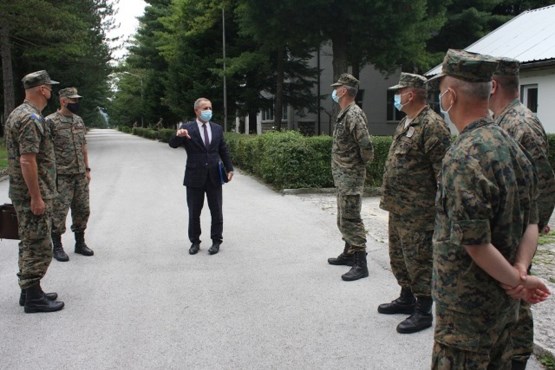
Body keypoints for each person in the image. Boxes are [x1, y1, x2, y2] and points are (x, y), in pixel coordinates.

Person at [428, 49, 550, 369]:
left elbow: (475, 243)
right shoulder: (512, 146)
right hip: (503, 312)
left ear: (450, 95)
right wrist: (521, 271)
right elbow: (532, 222)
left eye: (441, 91)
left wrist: (518, 281)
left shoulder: (463, 155)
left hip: (466, 318)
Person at [489, 57, 555, 370]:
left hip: (518, 232)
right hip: (507, 227)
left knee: (518, 294)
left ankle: (517, 358)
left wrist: (534, 230)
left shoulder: (522, 124)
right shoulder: (501, 121)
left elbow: (543, 182)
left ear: (492, 85)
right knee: (507, 296)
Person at [378, 73, 451, 333]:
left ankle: (423, 310)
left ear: (411, 94)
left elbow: (444, 174)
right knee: (400, 256)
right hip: (399, 208)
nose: (397, 97)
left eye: (400, 92)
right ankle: (406, 297)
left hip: (420, 212)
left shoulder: (433, 125)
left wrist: (442, 213)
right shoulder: (407, 122)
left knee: (419, 260)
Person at [4, 70, 65, 313]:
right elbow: (27, 160)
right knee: (39, 245)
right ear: (42, 89)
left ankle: (29, 290)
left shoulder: (19, 113)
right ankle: (33, 297)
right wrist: (37, 197)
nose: (50, 91)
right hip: (32, 194)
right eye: (50, 87)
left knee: (29, 242)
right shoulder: (30, 118)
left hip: (25, 192)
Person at [169, 98, 234, 255]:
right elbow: (173, 144)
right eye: (205, 108)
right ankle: (195, 242)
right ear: (196, 111)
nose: (209, 111)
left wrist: (229, 168)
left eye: (210, 108)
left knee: (216, 211)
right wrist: (179, 135)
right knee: (194, 212)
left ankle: (216, 241)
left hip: (214, 176)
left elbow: (222, 149)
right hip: (194, 176)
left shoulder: (217, 128)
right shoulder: (187, 128)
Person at [327, 73, 374, 281]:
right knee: (343, 216)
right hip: (343, 176)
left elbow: (366, 146)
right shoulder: (345, 113)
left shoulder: (353, 114)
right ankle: (349, 253)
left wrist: (357, 167)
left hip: (350, 176)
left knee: (351, 218)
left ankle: (360, 263)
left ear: (344, 91)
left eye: (337, 88)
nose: (335, 91)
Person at [46, 87, 94, 262]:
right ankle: (57, 246)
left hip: (79, 174)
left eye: (77, 100)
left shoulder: (78, 121)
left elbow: (83, 146)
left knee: (82, 210)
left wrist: (87, 169)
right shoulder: (51, 122)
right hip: (61, 176)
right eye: (73, 100)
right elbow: (44, 151)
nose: (76, 103)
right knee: (59, 212)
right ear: (63, 101)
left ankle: (79, 243)